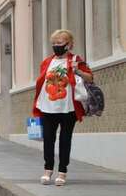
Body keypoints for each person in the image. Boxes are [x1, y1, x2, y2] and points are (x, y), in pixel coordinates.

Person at [32, 29, 93, 186]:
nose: (56, 46)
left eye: (59, 43)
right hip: (47, 107)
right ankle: (47, 169)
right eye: (54, 43)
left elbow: (90, 77)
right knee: (48, 139)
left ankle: (62, 171)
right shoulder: (47, 62)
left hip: (68, 107)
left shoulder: (76, 60)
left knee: (65, 140)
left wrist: (77, 69)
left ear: (69, 44)